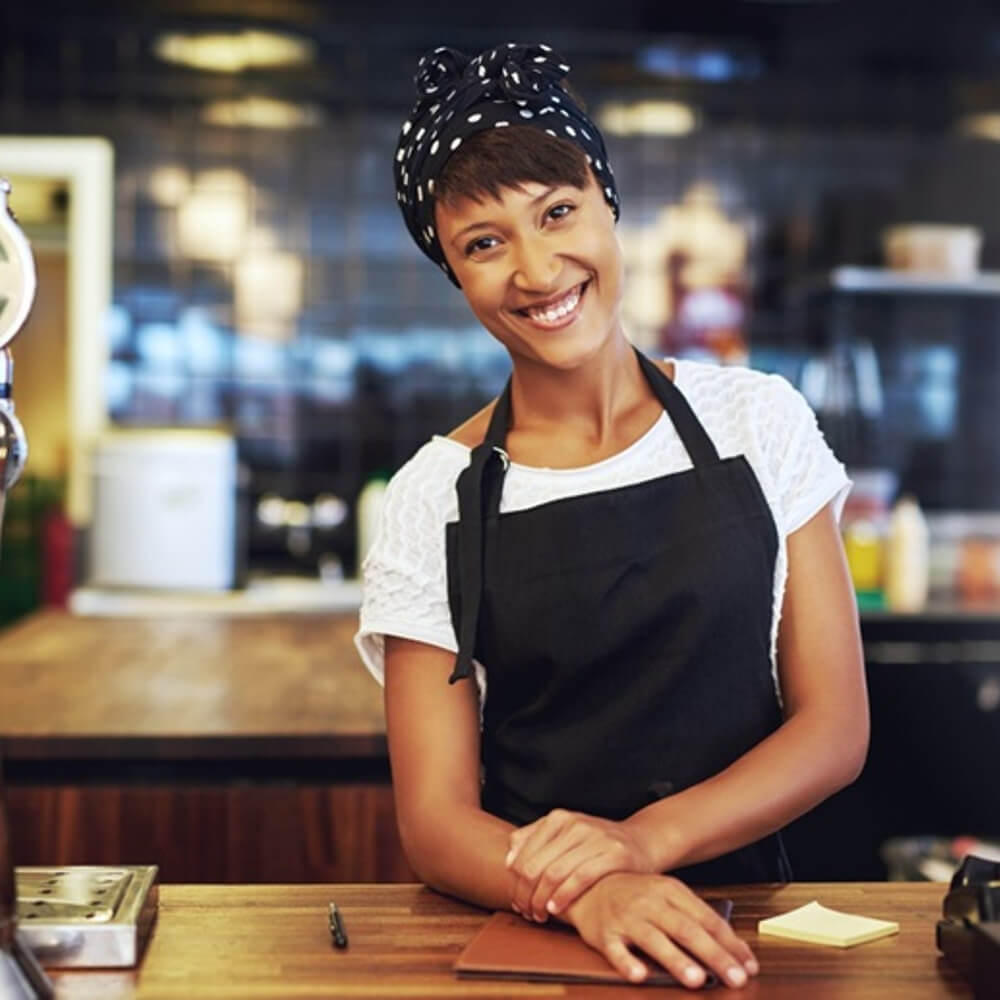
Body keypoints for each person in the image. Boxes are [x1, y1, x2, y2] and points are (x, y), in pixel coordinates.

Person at [356, 42, 868, 990]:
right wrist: (586, 896)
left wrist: (635, 849)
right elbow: (435, 825)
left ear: (607, 201)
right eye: (484, 242)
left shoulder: (758, 421)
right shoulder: (435, 494)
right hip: (534, 930)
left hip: (747, 933)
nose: (538, 268)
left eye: (557, 214)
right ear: (454, 274)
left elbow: (833, 726)